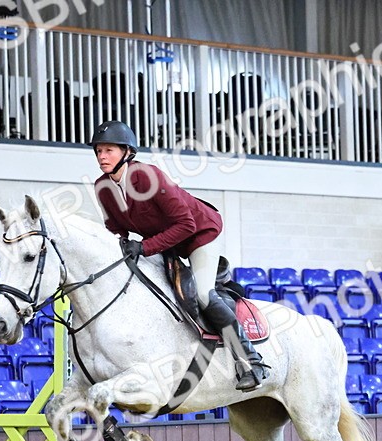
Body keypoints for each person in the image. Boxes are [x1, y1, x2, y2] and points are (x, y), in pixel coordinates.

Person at [89, 120, 268, 391]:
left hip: (199, 234)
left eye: (109, 150)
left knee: (205, 295)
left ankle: (251, 362)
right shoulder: (102, 187)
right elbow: (115, 228)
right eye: (99, 151)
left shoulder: (148, 177)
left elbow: (186, 224)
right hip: (166, 243)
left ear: (127, 152)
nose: (102, 156)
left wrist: (146, 248)